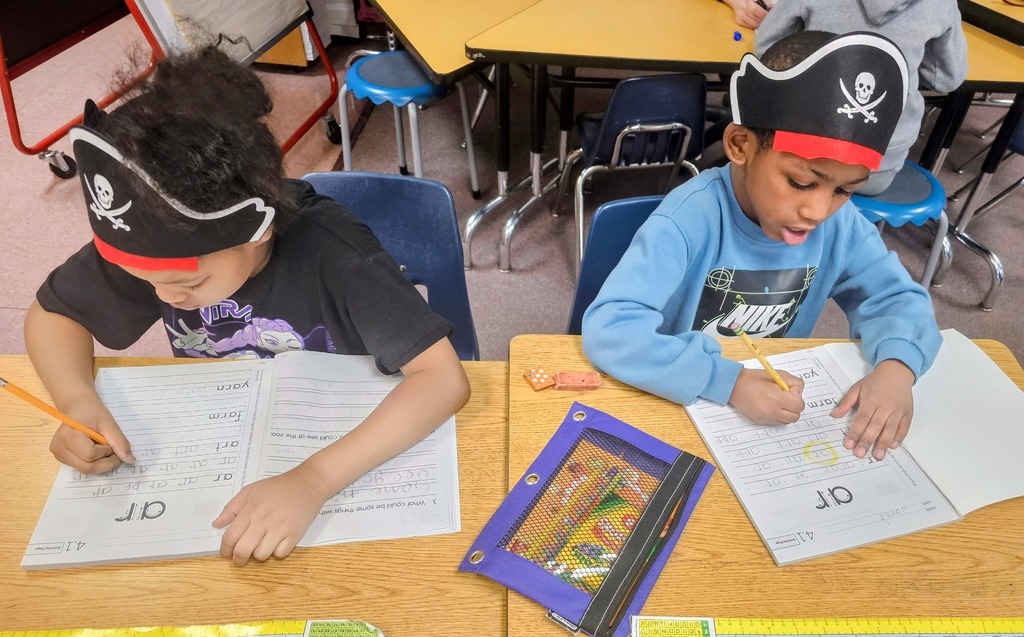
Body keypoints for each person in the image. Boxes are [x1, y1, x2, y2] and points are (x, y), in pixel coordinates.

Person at [23, 47, 471, 565]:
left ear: (255, 236)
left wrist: (313, 480)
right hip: (223, 447)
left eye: (188, 283)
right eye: (139, 278)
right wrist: (76, 399)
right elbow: (51, 316)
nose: (165, 296)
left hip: (337, 446)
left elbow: (442, 379)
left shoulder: (334, 253)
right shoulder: (153, 251)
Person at [582, 31, 942, 461]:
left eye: (844, 190)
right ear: (740, 145)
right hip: (681, 404)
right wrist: (726, 381)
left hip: (767, 422)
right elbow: (610, 329)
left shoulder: (841, 225)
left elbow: (896, 298)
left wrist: (898, 367)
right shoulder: (688, 219)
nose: (818, 210)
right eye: (801, 182)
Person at [755, 0, 967, 195]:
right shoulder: (941, 4)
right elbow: (947, 79)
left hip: (804, 151)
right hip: (878, 167)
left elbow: (767, 48)